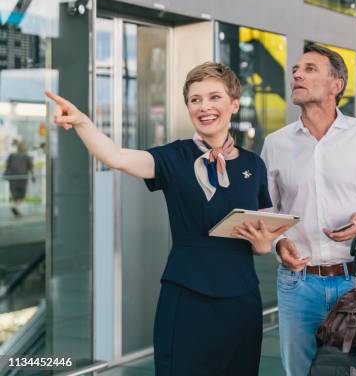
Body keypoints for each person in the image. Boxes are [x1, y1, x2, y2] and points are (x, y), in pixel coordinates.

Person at [45, 62, 287, 376]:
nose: (204, 107)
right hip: (187, 295)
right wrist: (82, 123)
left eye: (214, 97)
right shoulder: (174, 157)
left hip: (242, 299)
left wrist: (264, 244)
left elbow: (261, 237)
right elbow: (115, 157)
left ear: (234, 104)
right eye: (195, 100)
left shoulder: (254, 165)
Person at [261, 43, 356, 376]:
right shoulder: (276, 144)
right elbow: (267, 214)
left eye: (310, 69)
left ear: (336, 84)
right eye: (295, 71)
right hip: (297, 285)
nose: (297, 74)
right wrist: (278, 243)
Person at [4, 141, 35, 217]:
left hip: (13, 177)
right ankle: (15, 207)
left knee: (15, 194)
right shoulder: (27, 156)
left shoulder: (12, 155)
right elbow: (31, 167)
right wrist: (33, 176)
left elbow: (7, 165)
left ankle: (16, 209)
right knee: (21, 194)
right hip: (22, 178)